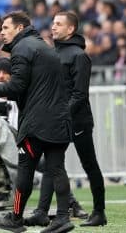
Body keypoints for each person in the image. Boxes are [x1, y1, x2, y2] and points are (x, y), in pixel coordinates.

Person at [0, 11, 74, 233]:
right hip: (60, 119)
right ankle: (63, 218)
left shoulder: (22, 49)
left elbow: (17, 86)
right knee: (57, 168)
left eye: (5, 28)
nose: (1, 32)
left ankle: (16, 218)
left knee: (26, 168)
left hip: (37, 123)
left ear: (19, 29)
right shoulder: (44, 47)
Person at [28, 11, 107, 227]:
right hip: (57, 121)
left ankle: (99, 212)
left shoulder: (79, 56)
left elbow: (80, 95)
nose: (53, 27)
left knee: (89, 165)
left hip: (78, 121)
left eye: (58, 24)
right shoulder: (53, 53)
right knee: (53, 165)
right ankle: (41, 212)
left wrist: (61, 115)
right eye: (53, 23)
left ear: (70, 29)